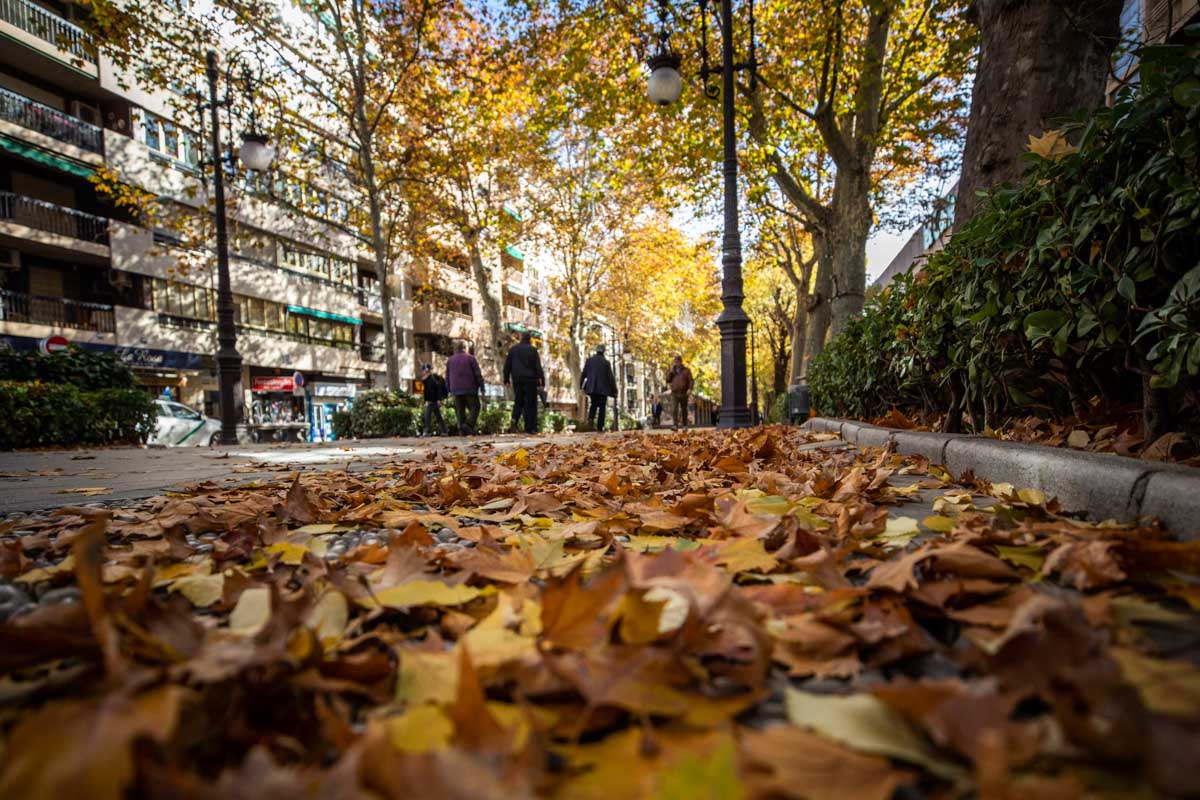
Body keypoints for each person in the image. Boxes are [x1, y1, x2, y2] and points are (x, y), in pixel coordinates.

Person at [503, 331, 544, 435]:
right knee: (530, 403)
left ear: (521, 338)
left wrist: (506, 379)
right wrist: (542, 382)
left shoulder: (513, 349)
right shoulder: (533, 350)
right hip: (530, 380)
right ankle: (530, 428)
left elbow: (507, 366)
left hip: (517, 379)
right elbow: (538, 367)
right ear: (530, 339)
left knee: (518, 401)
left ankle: (514, 420)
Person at [446, 342, 485, 435]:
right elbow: (478, 374)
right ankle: (468, 425)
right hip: (470, 388)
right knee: (475, 407)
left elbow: (447, 376)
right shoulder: (470, 358)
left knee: (460, 410)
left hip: (455, 389)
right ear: (465, 348)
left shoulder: (450, 360)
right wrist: (482, 388)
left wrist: (448, 389)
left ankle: (461, 430)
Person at [580, 344, 617, 432]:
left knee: (593, 404)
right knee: (602, 407)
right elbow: (610, 378)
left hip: (591, 388)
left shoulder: (589, 361)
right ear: (603, 351)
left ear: (596, 351)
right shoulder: (606, 363)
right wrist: (614, 390)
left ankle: (591, 419)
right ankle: (600, 427)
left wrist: (581, 386)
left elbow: (584, 374)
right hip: (603, 390)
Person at [419, 363, 449, 437]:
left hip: (434, 400)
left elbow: (438, 389)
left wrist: (439, 399)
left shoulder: (433, 379)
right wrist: (425, 400)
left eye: (424, 371)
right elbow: (426, 391)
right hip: (431, 401)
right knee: (438, 416)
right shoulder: (426, 380)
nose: (423, 372)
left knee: (427, 415)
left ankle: (427, 431)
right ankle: (444, 431)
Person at [667, 355, 693, 430]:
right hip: (674, 393)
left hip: (684, 392)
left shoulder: (686, 370)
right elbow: (667, 380)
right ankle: (675, 425)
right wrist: (671, 372)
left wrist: (690, 389)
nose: (676, 363)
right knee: (674, 409)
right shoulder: (672, 371)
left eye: (677, 361)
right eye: (675, 361)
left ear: (681, 362)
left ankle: (685, 425)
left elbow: (691, 380)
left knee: (684, 409)